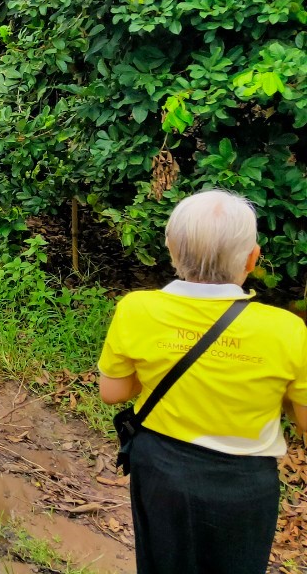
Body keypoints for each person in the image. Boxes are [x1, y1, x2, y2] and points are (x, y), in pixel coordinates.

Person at [98, 190, 307, 574]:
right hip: (245, 484)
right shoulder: (288, 331)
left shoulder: (136, 309)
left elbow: (113, 392)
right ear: (252, 259)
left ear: (171, 250)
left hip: (160, 468)